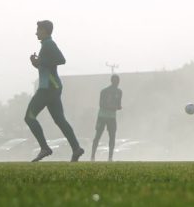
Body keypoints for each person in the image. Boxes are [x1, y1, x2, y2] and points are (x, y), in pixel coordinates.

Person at [25, 20, 84, 162]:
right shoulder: (45, 45)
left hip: (48, 88)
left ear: (45, 30)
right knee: (60, 120)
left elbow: (61, 60)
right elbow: (46, 67)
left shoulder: (49, 44)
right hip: (53, 87)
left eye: (38, 30)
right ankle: (76, 149)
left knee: (29, 117)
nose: (36, 32)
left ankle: (45, 148)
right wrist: (37, 64)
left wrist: (40, 62)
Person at [91, 74, 123, 162]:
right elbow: (101, 104)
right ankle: (92, 156)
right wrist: (113, 107)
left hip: (112, 117)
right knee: (98, 136)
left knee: (112, 137)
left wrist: (117, 107)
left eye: (118, 81)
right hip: (102, 116)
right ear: (112, 81)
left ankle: (110, 158)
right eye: (115, 81)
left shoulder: (119, 92)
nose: (117, 83)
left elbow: (119, 105)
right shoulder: (104, 91)